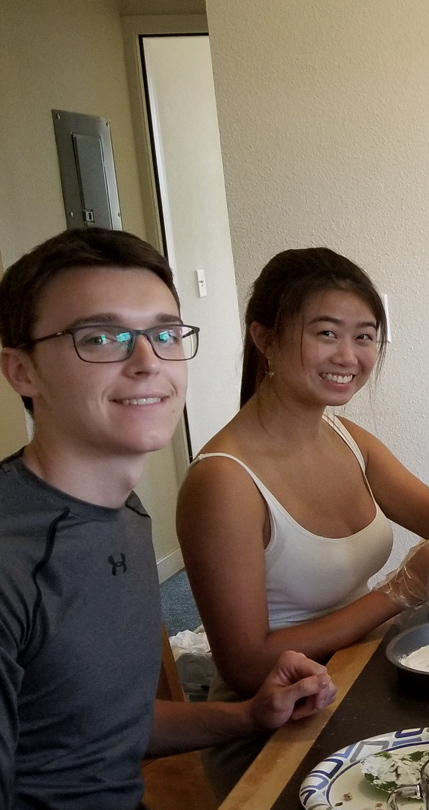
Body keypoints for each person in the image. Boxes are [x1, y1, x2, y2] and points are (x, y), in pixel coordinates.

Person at [0, 228, 338, 810]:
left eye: (163, 333)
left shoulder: (121, 514)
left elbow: (99, 722)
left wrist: (249, 714)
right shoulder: (14, 556)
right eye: (101, 337)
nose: (147, 362)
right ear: (21, 371)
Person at [174, 247, 429, 794]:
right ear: (264, 338)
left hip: (359, 673)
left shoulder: (348, 439)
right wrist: (397, 593)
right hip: (280, 728)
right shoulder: (223, 481)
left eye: (365, 336)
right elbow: (247, 666)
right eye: (326, 334)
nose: (349, 355)